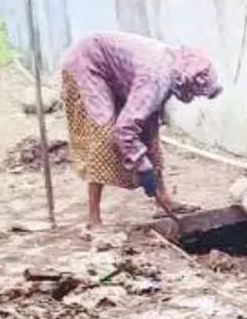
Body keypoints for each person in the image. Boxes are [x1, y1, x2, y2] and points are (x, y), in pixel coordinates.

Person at [58, 30, 222, 228]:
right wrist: (143, 168)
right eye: (198, 93)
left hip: (117, 73)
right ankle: (94, 219)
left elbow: (145, 124)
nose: (195, 97)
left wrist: (148, 164)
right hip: (87, 62)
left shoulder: (172, 69)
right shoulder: (157, 79)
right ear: (190, 81)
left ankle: (164, 201)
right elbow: (125, 130)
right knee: (104, 136)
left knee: (150, 135)